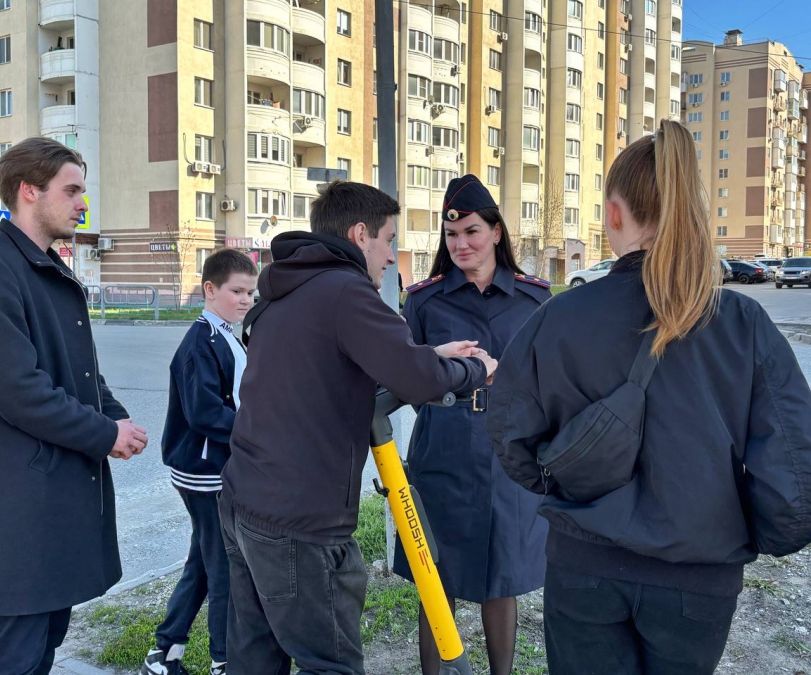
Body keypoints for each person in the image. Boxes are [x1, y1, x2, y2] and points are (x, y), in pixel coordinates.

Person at [488, 119, 811, 675]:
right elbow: (794, 466)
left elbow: (511, 432)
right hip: (699, 575)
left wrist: (562, 488)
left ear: (614, 214)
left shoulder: (558, 317)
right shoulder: (742, 322)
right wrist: (744, 537)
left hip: (583, 563)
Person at [219, 180, 498, 675]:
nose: (391, 257)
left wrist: (427, 354)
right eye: (389, 240)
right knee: (330, 664)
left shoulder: (288, 283)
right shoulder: (347, 290)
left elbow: (332, 360)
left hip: (245, 501)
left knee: (255, 657)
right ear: (360, 233)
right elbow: (419, 381)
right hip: (301, 523)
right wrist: (478, 370)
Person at [0, 137, 148, 674]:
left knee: (46, 636)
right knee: (17, 645)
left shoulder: (43, 268)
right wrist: (104, 435)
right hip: (19, 499)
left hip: (53, 488)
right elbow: (17, 389)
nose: (84, 203)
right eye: (73, 190)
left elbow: (79, 368)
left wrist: (114, 414)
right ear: (29, 191)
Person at [394, 174, 550, 675]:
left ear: (497, 233)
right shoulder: (424, 301)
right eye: (451, 235)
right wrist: (453, 408)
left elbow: (548, 382)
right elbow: (409, 379)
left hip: (507, 453)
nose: (461, 244)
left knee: (499, 576)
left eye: (472, 232)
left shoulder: (535, 301)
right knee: (434, 573)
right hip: (442, 449)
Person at [141, 249, 258, 675]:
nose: (245, 300)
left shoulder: (227, 333)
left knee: (205, 561)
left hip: (216, 466)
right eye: (236, 291)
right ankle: (223, 660)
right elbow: (204, 413)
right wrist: (257, 435)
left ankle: (163, 652)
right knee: (223, 563)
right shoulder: (200, 342)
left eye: (251, 292)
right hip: (204, 471)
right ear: (209, 290)